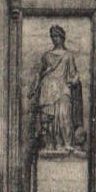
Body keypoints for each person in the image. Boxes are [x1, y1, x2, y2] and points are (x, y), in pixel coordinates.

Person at [28, 25, 84, 154]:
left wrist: (75, 79)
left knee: (64, 116)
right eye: (53, 36)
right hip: (48, 89)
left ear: (62, 37)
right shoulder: (46, 56)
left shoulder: (68, 56)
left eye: (57, 36)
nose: (55, 39)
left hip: (63, 88)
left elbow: (73, 73)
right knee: (49, 120)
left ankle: (67, 144)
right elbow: (39, 73)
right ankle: (51, 145)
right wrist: (34, 87)